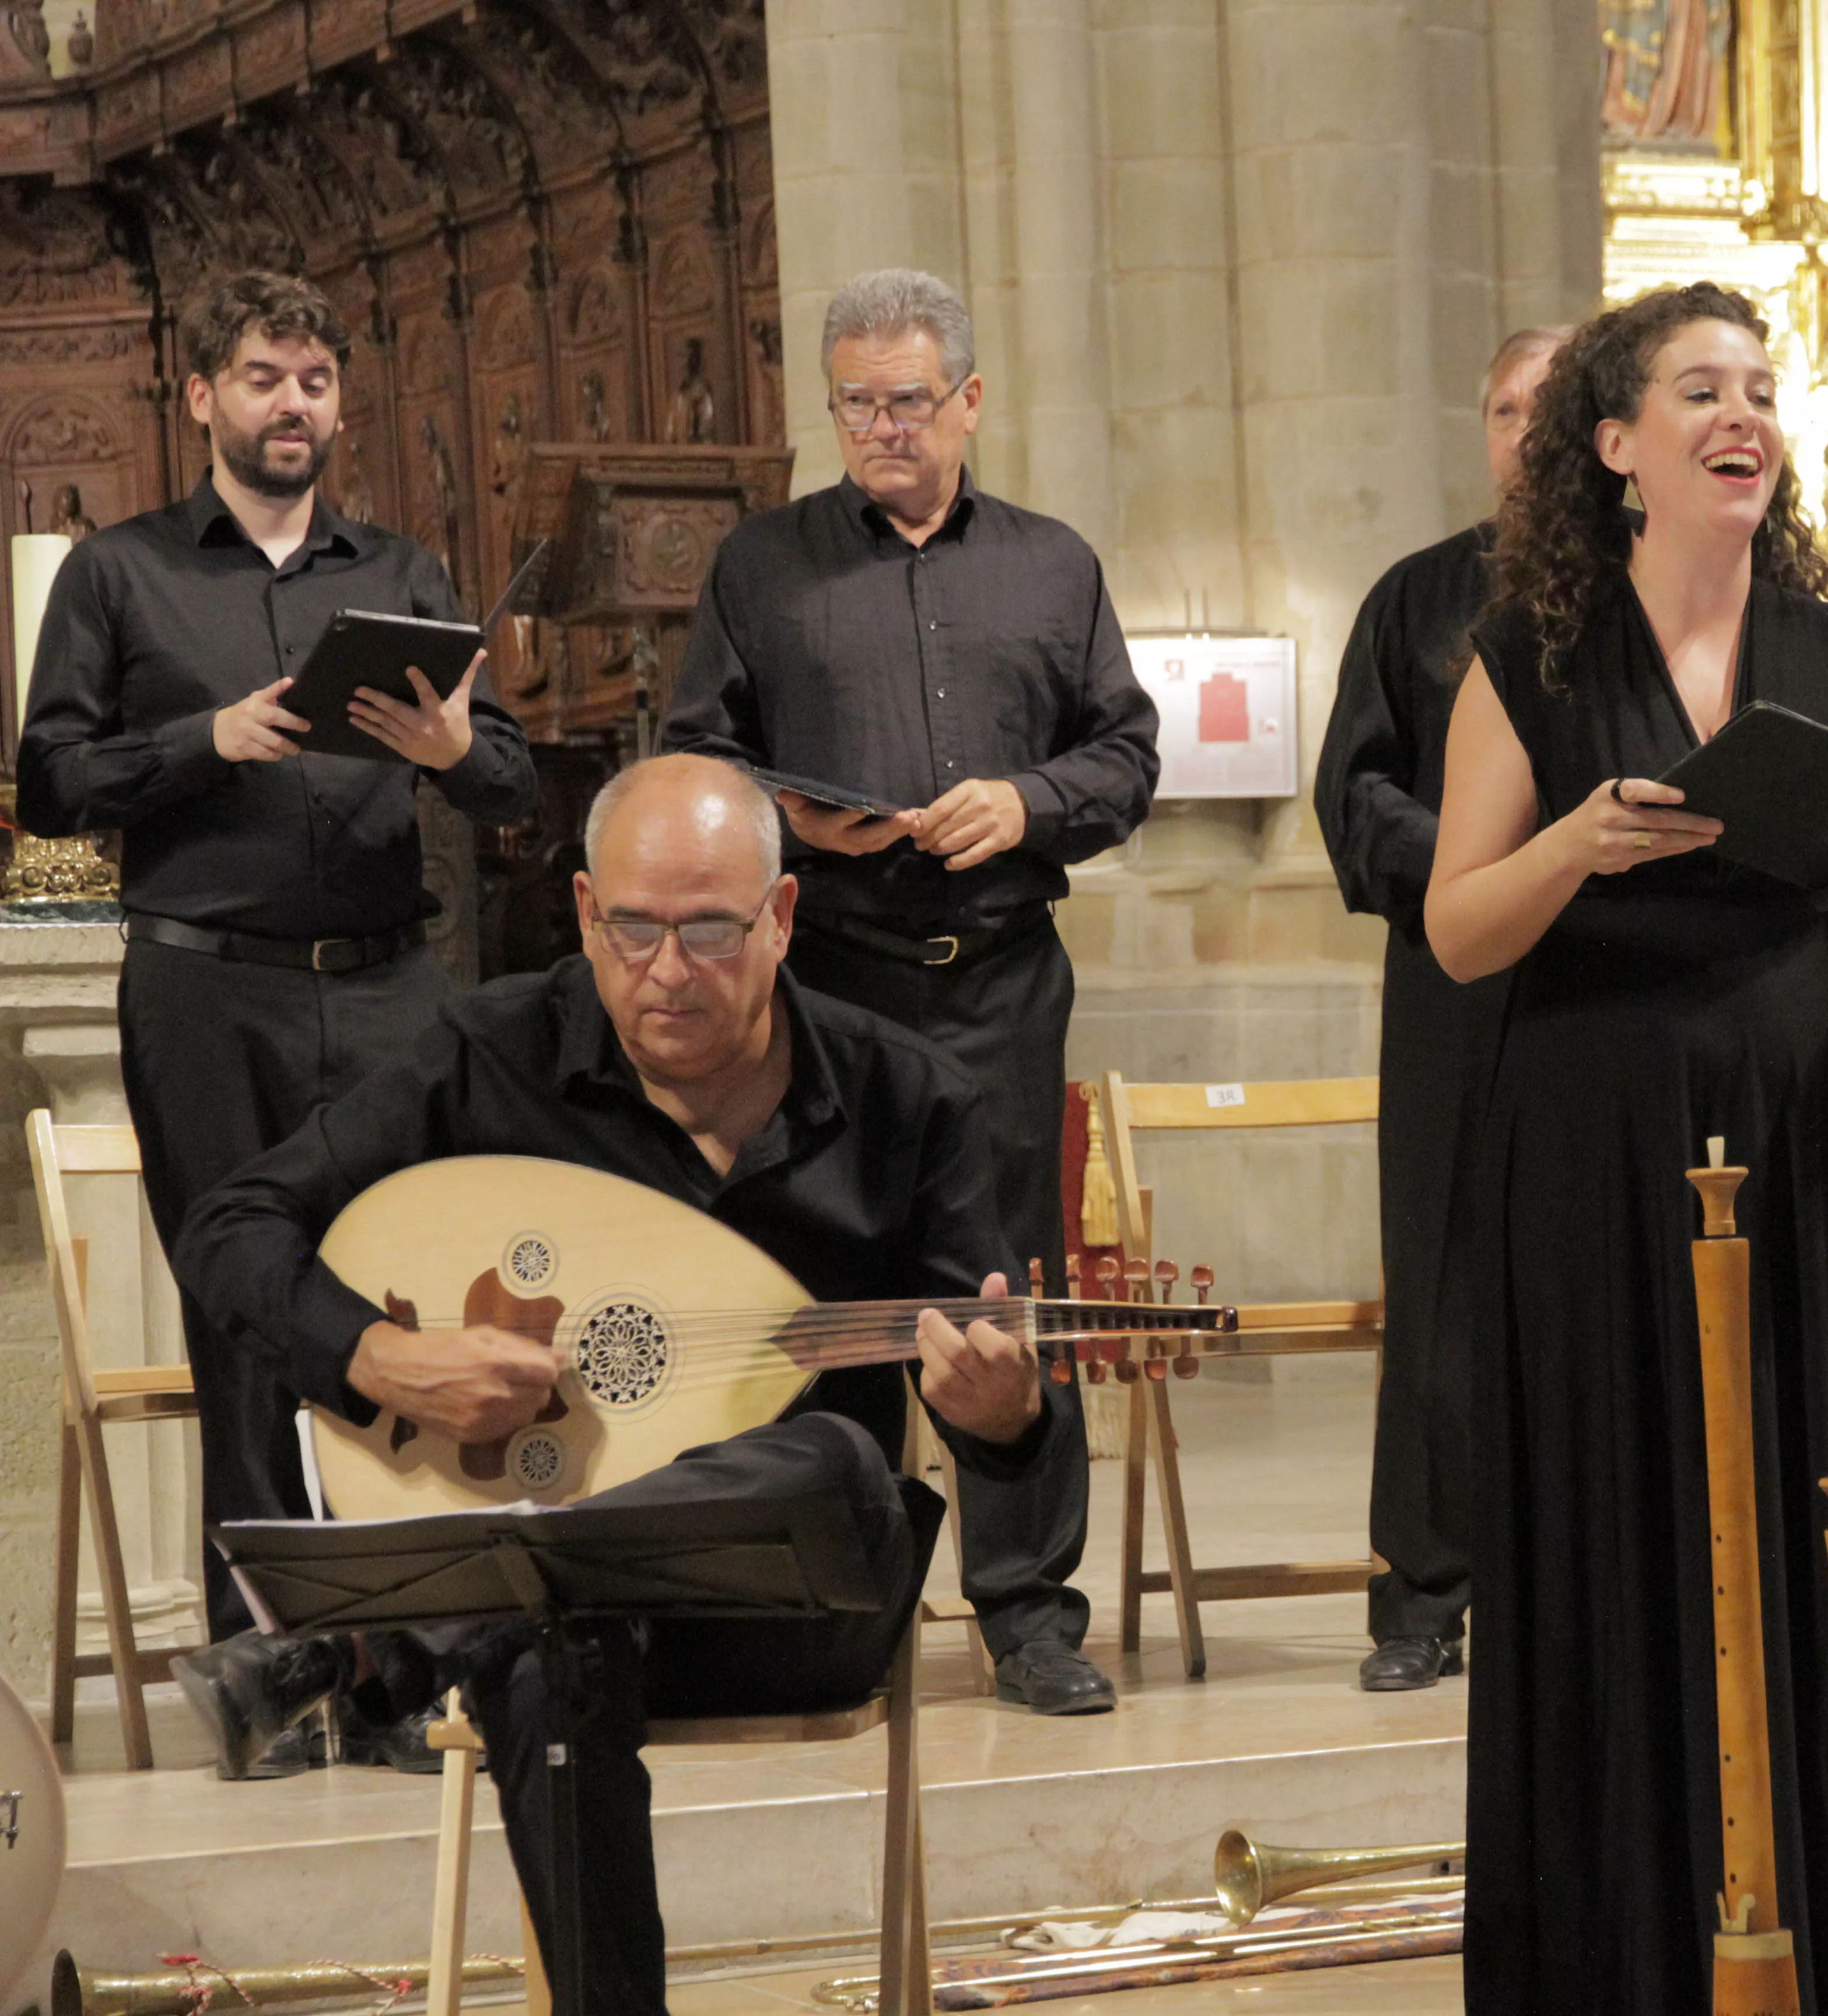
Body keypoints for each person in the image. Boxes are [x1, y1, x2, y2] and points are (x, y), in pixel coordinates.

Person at [165, 755, 1048, 2015]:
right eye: (632, 930)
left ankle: (389, 1640)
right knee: (547, 1648)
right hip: (564, 1621)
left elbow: (1007, 1405)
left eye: (710, 932)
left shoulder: (910, 1097)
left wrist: (998, 1411)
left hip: (795, 1598)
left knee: (836, 1459)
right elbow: (233, 1225)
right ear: (584, 911)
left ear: (782, 918)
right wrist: (378, 1354)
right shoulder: (491, 1054)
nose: (667, 971)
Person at [1425, 282, 1828, 2013]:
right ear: (1617, 447)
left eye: (1759, 389)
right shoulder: (1526, 659)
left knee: (1810, 1507)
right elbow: (1457, 929)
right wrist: (1581, 848)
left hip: (1797, 1112)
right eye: (1700, 390)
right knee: (1620, 1526)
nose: (1741, 415)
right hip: (1591, 1136)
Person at [17, 270, 539, 1773]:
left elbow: (506, 784)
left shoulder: (405, 568)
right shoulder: (120, 574)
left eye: (313, 381)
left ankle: (393, 1670)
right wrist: (206, 736)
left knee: (400, 1312)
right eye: (261, 377)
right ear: (201, 396)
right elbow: (51, 776)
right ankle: (273, 1678)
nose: (290, 405)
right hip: (207, 984)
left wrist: (454, 745)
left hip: (386, 984)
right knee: (248, 1315)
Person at [665, 268, 1159, 1717]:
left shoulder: (1053, 566)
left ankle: (1028, 1612)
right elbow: (699, 752)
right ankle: (837, 1606)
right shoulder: (763, 568)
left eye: (908, 399)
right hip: (826, 988)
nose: (882, 426)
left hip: (1000, 980)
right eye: (856, 403)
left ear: (969, 401)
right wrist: (787, 822)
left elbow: (1124, 757)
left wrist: (1026, 801)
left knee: (1005, 1280)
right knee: (832, 1291)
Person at [1311, 323, 1564, 1692]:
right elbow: (1352, 791)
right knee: (1448, 1279)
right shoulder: (1415, 598)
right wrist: (1486, 861)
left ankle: (1588, 1565)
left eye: (1550, 402)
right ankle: (1421, 1587)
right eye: (1501, 405)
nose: (1524, 426)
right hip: (1457, 981)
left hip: (1611, 974)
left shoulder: (1662, 588)